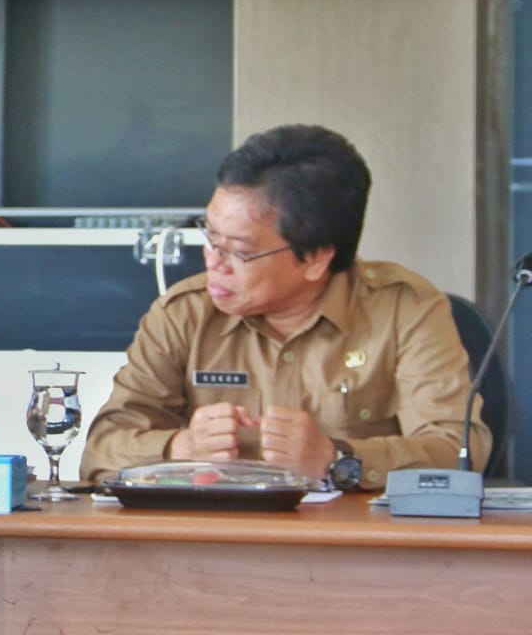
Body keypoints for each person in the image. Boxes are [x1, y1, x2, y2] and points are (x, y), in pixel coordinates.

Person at [82, 124, 485, 490]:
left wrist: (338, 459)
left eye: (239, 251)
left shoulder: (405, 311)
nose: (213, 261)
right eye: (210, 236)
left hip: (352, 539)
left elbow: (459, 451)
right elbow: (100, 452)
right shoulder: (183, 314)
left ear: (316, 258)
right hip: (214, 538)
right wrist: (179, 448)